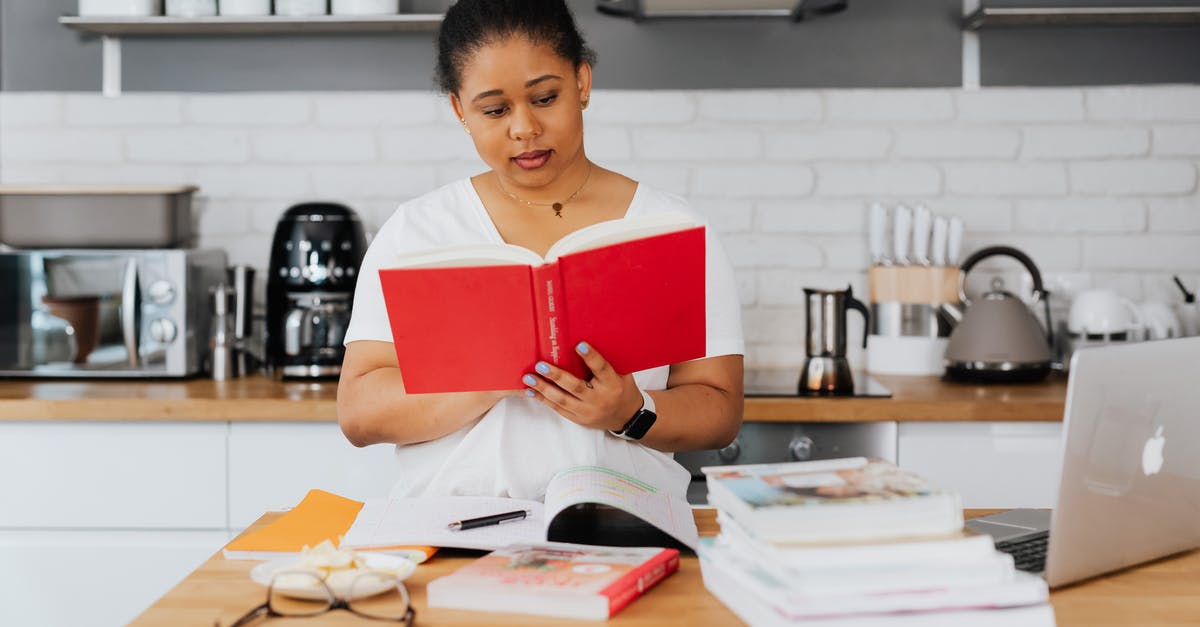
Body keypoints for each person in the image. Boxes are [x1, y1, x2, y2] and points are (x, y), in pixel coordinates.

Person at [337, 0, 744, 502]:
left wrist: (630, 411)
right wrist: (487, 377)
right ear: (460, 110)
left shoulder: (673, 227)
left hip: (623, 527)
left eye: (545, 98)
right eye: (495, 109)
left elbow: (719, 411)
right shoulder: (418, 232)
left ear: (582, 83)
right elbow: (359, 414)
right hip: (455, 532)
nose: (524, 128)